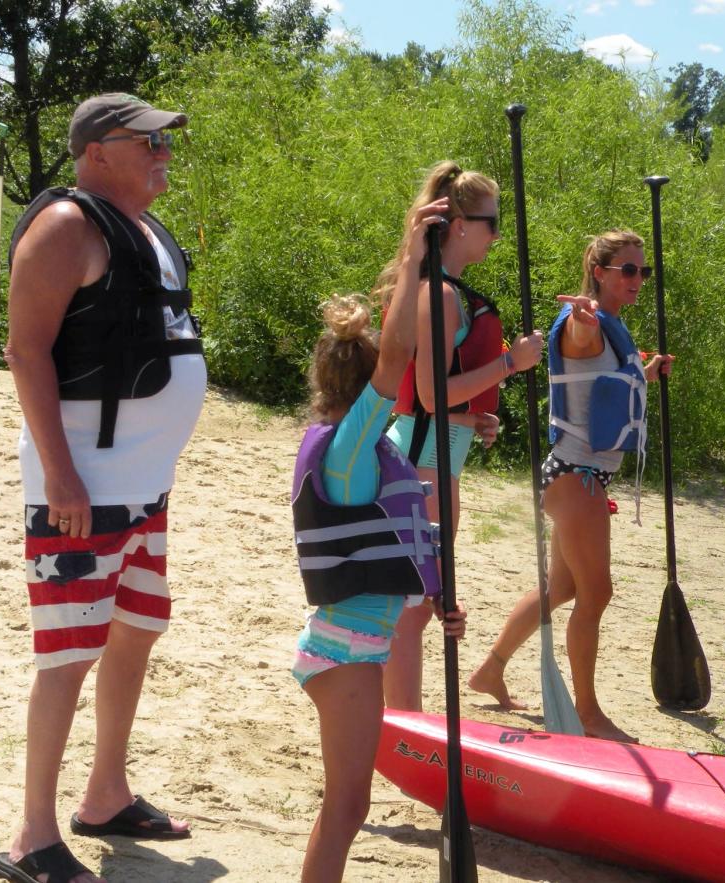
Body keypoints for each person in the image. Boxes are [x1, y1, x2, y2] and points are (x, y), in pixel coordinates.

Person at [0, 94, 204, 883]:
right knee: (69, 652)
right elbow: (26, 351)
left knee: (137, 628)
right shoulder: (66, 227)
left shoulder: (144, 230)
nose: (164, 151)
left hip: (146, 487)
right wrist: (61, 473)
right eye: (149, 140)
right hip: (84, 485)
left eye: (164, 140)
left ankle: (105, 792)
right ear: (97, 149)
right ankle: (31, 835)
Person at [290, 199, 466, 882]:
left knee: (349, 801)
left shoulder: (359, 447)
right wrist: (416, 252)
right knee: (347, 804)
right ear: (366, 392)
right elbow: (397, 353)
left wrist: (437, 598)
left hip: (358, 642)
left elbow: (400, 542)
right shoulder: (346, 450)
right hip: (342, 653)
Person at [468, 230, 673, 743]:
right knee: (596, 592)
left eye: (642, 272)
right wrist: (582, 319)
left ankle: (490, 669)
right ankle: (587, 713)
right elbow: (580, 340)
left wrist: (645, 371)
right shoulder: (587, 325)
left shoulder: (613, 328)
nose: (637, 281)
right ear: (599, 272)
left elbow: (600, 393)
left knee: (560, 588)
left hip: (579, 477)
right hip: (576, 478)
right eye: (627, 270)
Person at [375, 161, 544, 711]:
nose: (497, 233)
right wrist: (510, 365)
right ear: (461, 225)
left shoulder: (446, 291)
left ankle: (402, 720)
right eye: (491, 221)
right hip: (423, 457)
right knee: (415, 605)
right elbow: (429, 395)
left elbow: (446, 395)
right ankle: (406, 723)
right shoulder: (441, 295)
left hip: (435, 454)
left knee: (418, 602)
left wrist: (474, 417)